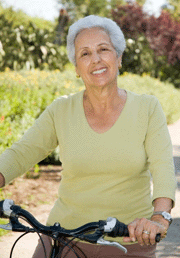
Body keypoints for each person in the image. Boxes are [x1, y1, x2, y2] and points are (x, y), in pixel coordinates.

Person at [0, 15, 176, 258]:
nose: (95, 59)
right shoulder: (60, 110)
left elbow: (163, 167)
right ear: (76, 68)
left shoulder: (147, 108)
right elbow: (21, 153)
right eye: (85, 54)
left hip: (127, 240)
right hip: (63, 237)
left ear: (119, 56)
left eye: (103, 49)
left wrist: (159, 218)